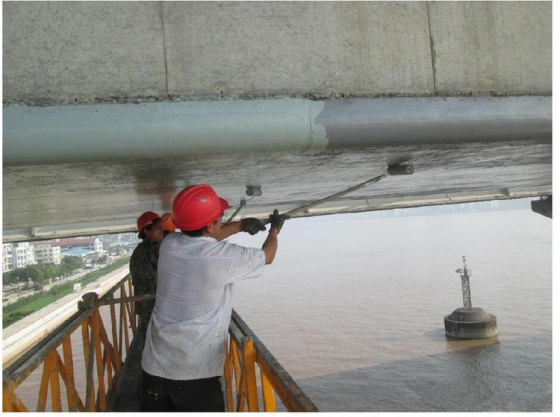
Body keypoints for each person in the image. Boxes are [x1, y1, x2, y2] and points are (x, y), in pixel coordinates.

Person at [140, 184, 288, 412]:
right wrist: (275, 229)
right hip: (194, 373)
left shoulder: (169, 245)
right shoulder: (223, 258)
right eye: (220, 217)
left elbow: (203, 238)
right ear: (210, 225)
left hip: (154, 366)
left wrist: (240, 225)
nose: (222, 220)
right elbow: (267, 256)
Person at [129, 211, 163, 333]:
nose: (161, 230)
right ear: (147, 231)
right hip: (153, 305)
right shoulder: (151, 250)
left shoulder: (142, 250)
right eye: (157, 228)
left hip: (147, 305)